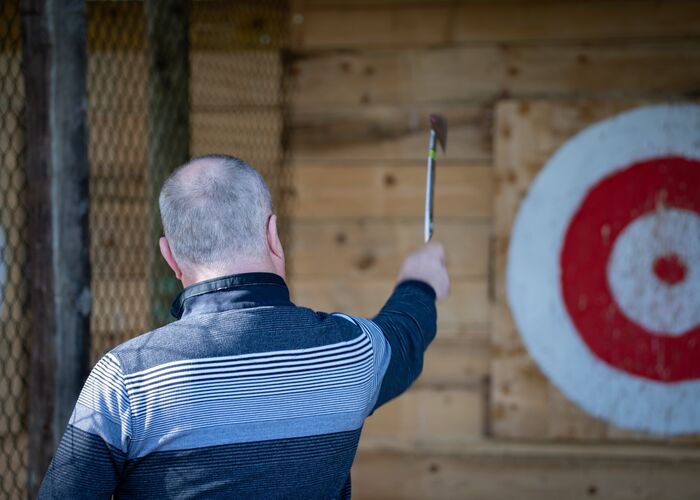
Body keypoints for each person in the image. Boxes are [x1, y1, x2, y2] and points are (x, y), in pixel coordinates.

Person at [39, 154, 450, 499]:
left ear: (171, 256)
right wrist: (420, 280)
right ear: (273, 234)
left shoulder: (126, 378)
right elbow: (406, 333)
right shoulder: (350, 354)